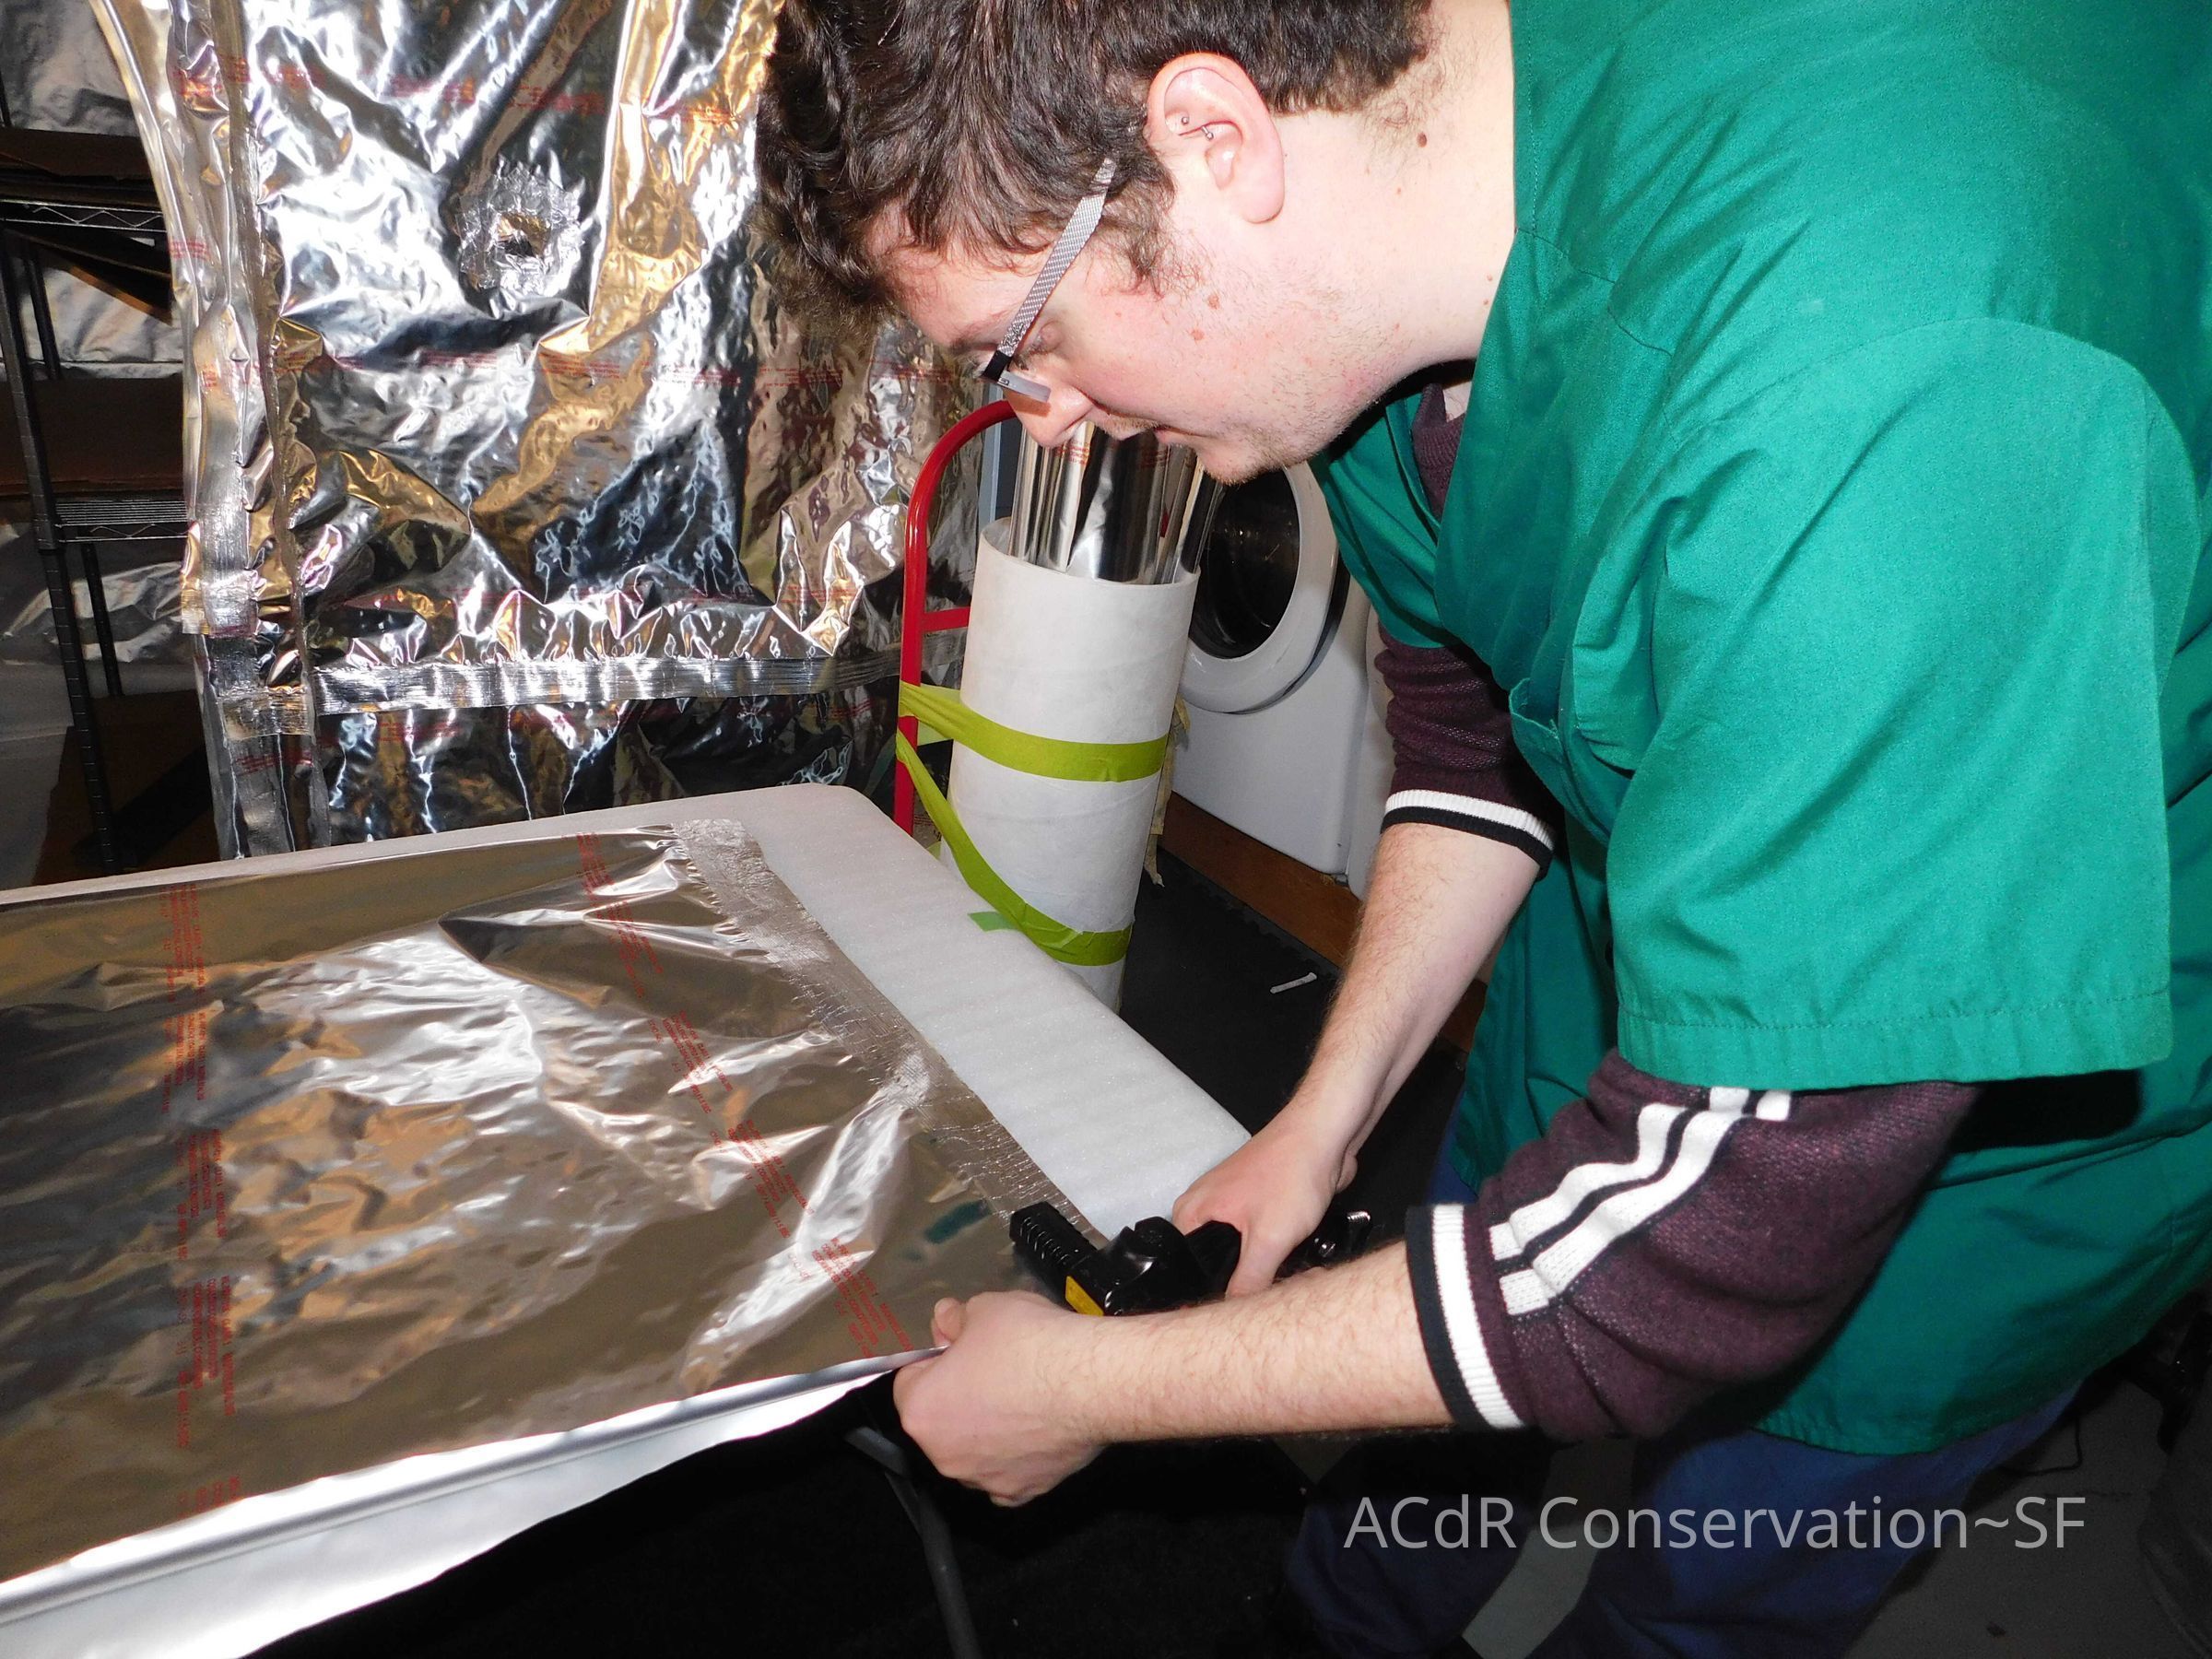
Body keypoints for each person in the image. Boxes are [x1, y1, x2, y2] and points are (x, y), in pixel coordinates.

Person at [755, 1, 2212, 1653]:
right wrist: (1321, 1128)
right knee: (1431, 1437)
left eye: (1023, 343)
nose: (1039, 417)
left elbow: (1701, 1252)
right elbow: (1473, 711)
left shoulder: (1887, 393)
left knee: (1705, 1582)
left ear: (1213, 142)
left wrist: (1098, 1390)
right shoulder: (1393, 256)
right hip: (1650, 913)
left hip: (1957, 1058)